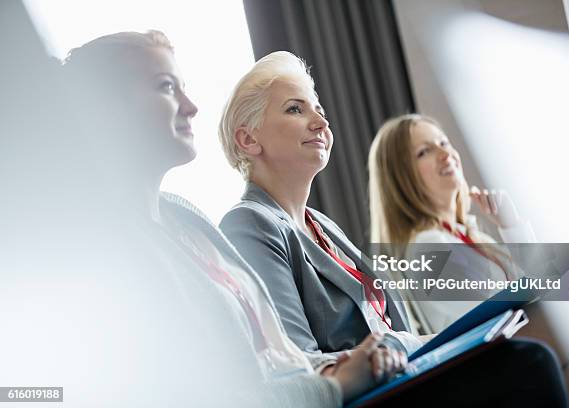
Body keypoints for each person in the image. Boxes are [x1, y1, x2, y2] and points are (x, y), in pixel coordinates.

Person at [0, 30, 409, 407]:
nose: (192, 107)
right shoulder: (102, 248)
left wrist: (380, 353)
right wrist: (344, 379)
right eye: (165, 87)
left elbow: (284, 357)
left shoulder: (185, 218)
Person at [218, 51, 425, 359]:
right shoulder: (249, 225)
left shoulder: (323, 225)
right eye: (294, 109)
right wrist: (406, 345)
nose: (321, 122)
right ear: (248, 140)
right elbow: (300, 363)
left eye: (319, 110)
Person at [368, 113, 537, 333]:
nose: (445, 154)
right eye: (424, 152)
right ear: (401, 179)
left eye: (443, 143)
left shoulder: (464, 235)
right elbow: (495, 319)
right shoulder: (428, 246)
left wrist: (511, 226)